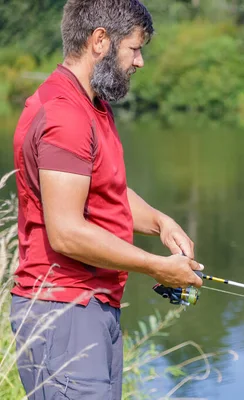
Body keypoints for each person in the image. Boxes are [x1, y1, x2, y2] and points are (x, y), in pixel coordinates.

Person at [9, 1, 204, 399]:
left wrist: (161, 223)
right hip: (63, 313)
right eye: (134, 48)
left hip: (90, 310)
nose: (140, 61)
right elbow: (66, 232)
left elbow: (104, 189)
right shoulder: (66, 115)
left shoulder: (91, 104)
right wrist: (155, 267)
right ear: (100, 40)